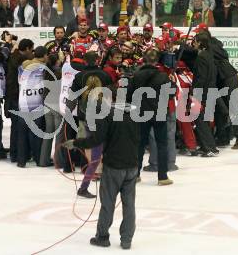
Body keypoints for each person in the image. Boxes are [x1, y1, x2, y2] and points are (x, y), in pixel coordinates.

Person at [62, 99, 140, 250]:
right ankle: (126, 239)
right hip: (132, 166)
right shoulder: (132, 115)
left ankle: (102, 237)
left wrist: (76, 143)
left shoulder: (105, 116)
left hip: (114, 167)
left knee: (108, 203)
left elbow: (96, 140)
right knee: (129, 204)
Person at [66, 51, 113, 198]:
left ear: (85, 61)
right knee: (104, 147)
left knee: (90, 145)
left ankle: (92, 170)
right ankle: (98, 171)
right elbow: (112, 95)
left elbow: (72, 97)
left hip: (85, 115)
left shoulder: (79, 76)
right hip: (103, 116)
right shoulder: (104, 75)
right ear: (98, 60)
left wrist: (68, 111)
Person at [127, 49, 174, 185]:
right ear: (157, 60)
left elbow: (129, 95)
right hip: (159, 112)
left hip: (141, 113)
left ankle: (135, 174)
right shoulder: (163, 76)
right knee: (162, 144)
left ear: (144, 59)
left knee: (139, 144)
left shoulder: (136, 76)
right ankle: (163, 176)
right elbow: (171, 94)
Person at [5, 39, 34, 163]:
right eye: (31, 49)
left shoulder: (12, 57)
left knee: (15, 127)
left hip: (12, 97)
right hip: (18, 97)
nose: (32, 52)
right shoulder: (23, 62)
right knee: (20, 127)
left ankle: (15, 153)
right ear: (27, 49)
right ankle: (20, 154)